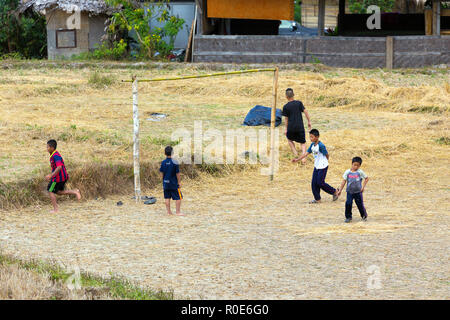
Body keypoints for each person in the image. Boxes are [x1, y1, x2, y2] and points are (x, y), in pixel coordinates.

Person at [295, 129, 339, 203]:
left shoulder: (321, 146)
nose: (310, 138)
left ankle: (334, 192)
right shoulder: (312, 145)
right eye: (310, 137)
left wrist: (325, 161)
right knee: (314, 183)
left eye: (312, 137)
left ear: (317, 137)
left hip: (323, 166)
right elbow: (306, 153)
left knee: (320, 182)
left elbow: (327, 154)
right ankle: (317, 199)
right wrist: (297, 159)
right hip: (317, 166)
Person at [45, 140, 81, 213]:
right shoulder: (54, 155)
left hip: (58, 178)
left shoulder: (56, 156)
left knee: (50, 191)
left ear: (52, 148)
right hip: (61, 177)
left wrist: (51, 176)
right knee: (58, 192)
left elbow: (59, 167)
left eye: (47, 147)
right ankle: (75, 191)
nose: (46, 148)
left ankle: (56, 209)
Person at [282, 88, 311, 163]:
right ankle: (303, 157)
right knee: (303, 142)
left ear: (286, 96)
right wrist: (309, 121)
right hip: (300, 127)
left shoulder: (285, 107)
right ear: (293, 95)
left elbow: (286, 119)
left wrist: (286, 129)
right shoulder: (299, 103)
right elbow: (306, 112)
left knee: (289, 139)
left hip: (291, 127)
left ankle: (295, 153)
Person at [337, 157, 369, 223]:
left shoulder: (360, 172)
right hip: (349, 192)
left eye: (358, 165)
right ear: (352, 164)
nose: (356, 167)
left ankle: (364, 215)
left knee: (360, 204)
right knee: (348, 204)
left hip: (358, 192)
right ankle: (348, 217)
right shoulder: (347, 172)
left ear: (360, 165)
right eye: (354, 165)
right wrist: (340, 190)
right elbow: (344, 181)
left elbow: (366, 178)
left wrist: (363, 187)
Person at [159, 146, 184, 216]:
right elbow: (177, 174)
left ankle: (168, 212)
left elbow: (161, 173)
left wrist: (163, 181)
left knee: (167, 197)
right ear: (172, 153)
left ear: (165, 153)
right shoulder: (175, 162)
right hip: (173, 183)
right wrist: (179, 182)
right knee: (178, 197)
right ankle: (178, 212)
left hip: (166, 183)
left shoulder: (163, 162)